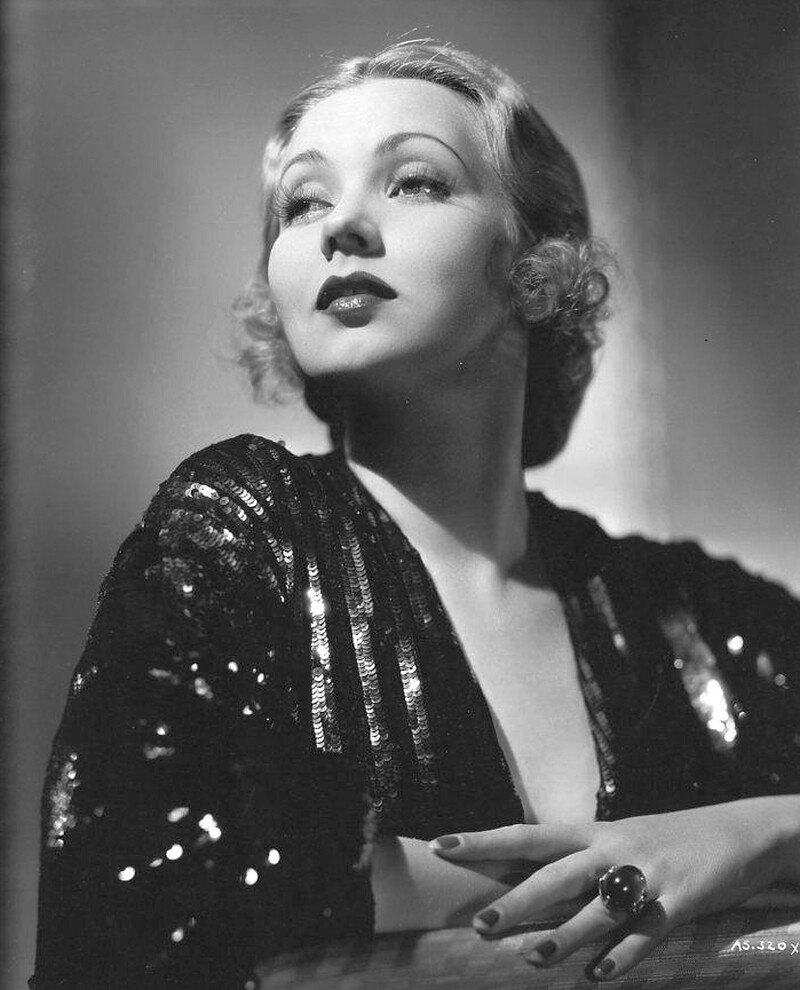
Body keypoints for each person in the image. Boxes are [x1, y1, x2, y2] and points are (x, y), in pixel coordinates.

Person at [32, 39, 800, 990]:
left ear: (538, 262)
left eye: (416, 182)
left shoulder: (686, 609)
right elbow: (133, 880)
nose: (342, 227)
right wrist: (610, 877)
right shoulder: (239, 528)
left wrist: (757, 833)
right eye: (303, 203)